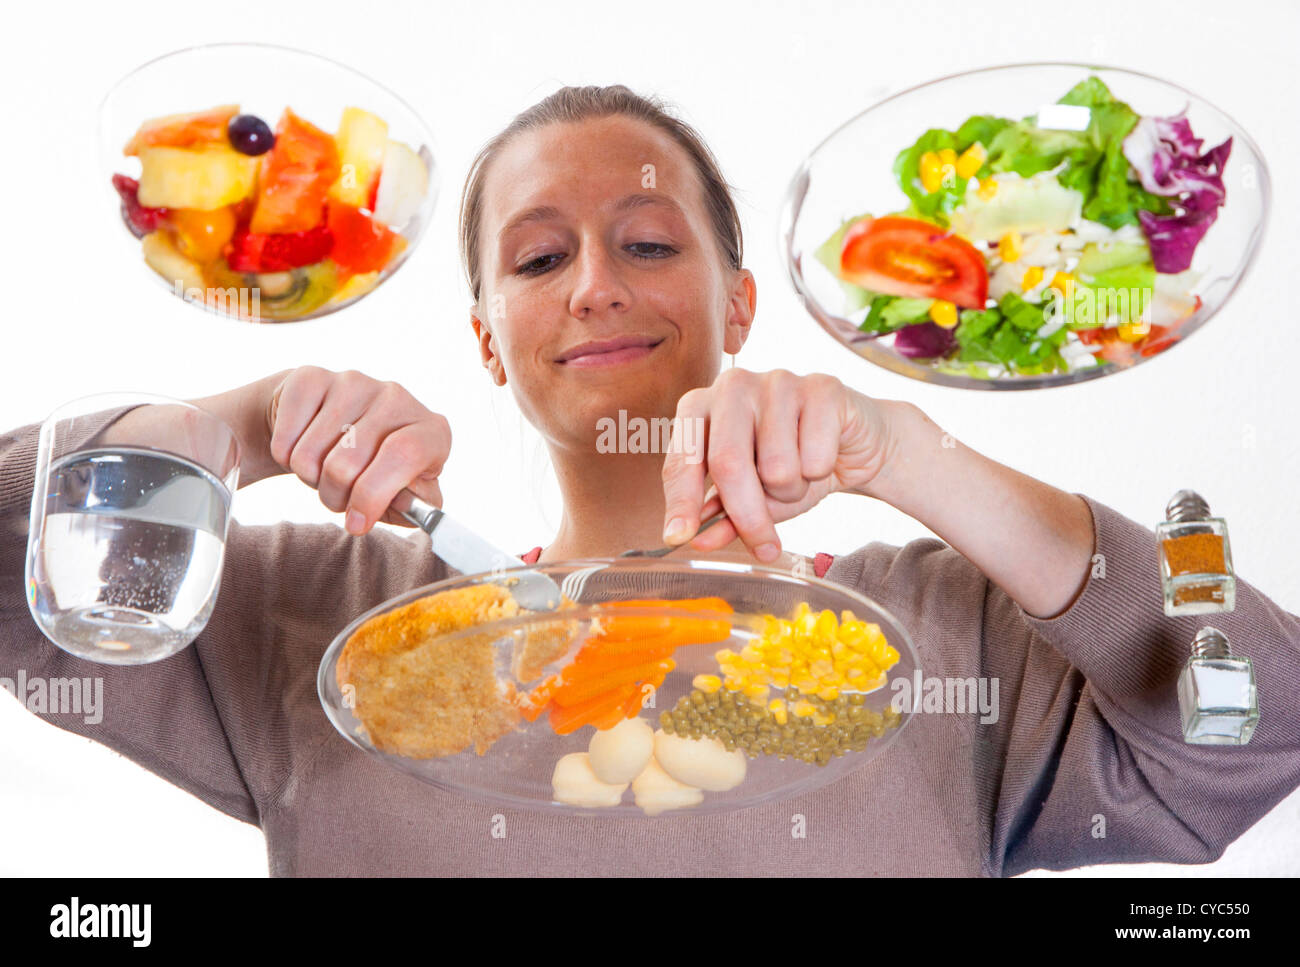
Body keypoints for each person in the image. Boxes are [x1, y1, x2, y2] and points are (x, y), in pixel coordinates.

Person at [2, 85, 1297, 877]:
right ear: (484, 343)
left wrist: (910, 455)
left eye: (646, 242)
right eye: (536, 259)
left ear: (740, 302)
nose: (596, 286)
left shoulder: (948, 626)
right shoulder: (326, 607)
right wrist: (246, 428)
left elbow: (1256, 724)